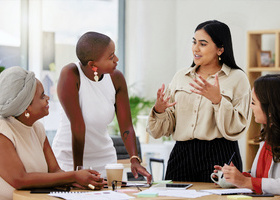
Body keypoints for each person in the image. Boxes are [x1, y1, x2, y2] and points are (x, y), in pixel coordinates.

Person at [147, 20, 251, 182]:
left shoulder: (237, 78)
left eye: (203, 44)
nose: (195, 48)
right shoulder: (181, 77)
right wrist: (159, 111)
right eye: (194, 42)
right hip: (182, 154)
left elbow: (237, 127)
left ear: (220, 49)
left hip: (220, 153)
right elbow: (162, 130)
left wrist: (218, 101)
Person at [52, 32, 152, 183]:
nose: (116, 60)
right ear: (93, 65)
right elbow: (78, 126)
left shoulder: (116, 78)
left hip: (106, 161)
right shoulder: (71, 74)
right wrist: (78, 171)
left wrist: (134, 159)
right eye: (111, 57)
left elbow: (126, 126)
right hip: (69, 161)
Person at [0, 66, 105, 200]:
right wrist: (74, 176)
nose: (48, 98)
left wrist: (79, 182)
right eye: (42, 96)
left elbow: (55, 171)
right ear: (27, 107)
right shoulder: (3, 129)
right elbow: (20, 179)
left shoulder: (37, 128)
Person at [214, 74, 280, 195]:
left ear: (270, 109)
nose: (250, 106)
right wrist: (235, 177)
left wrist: (244, 181)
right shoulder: (267, 137)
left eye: (253, 103)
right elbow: (261, 177)